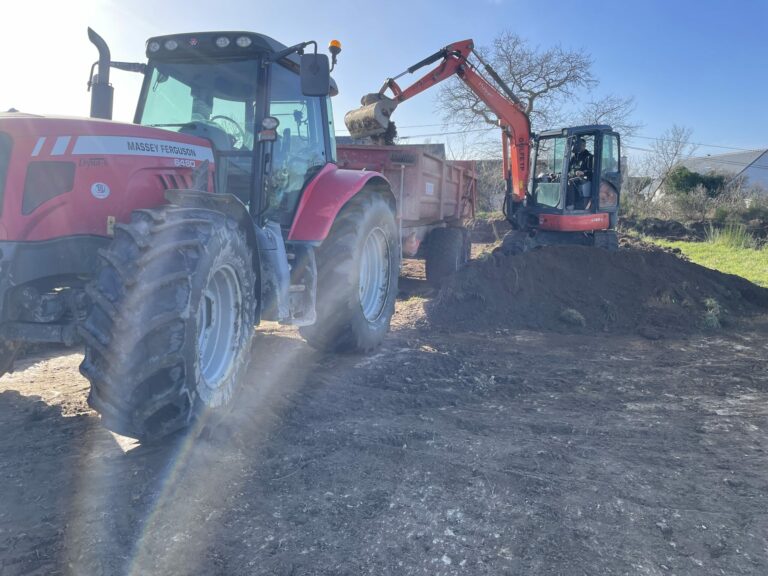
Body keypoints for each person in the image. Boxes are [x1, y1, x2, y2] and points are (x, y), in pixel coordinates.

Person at [566, 137, 593, 209]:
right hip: (572, 176)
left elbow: (591, 171)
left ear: (584, 146)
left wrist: (582, 172)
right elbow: (567, 169)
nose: (579, 147)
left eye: (582, 145)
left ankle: (571, 205)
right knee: (559, 180)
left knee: (569, 181)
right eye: (577, 145)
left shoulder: (589, 157)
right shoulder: (573, 157)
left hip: (583, 178)